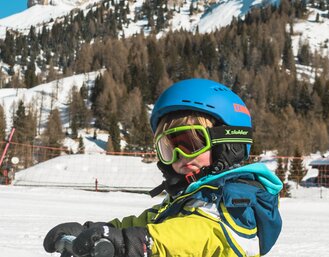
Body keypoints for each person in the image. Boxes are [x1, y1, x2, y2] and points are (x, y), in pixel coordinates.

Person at [43, 78, 283, 256]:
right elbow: (145, 223)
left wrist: (138, 241)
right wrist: (97, 230)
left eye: (190, 143)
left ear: (228, 143)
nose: (179, 157)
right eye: (169, 148)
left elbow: (207, 232)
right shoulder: (187, 199)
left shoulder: (242, 200)